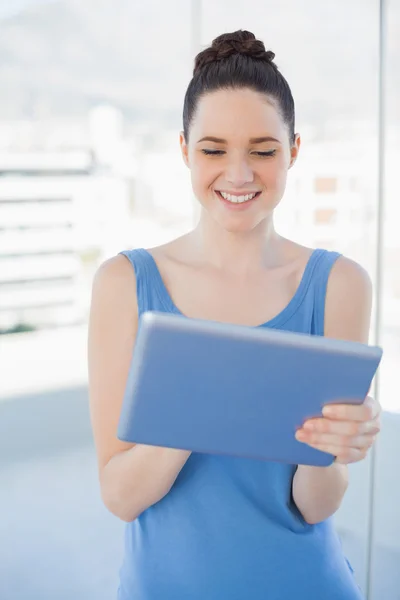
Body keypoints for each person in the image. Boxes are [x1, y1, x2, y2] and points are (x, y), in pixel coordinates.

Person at [88, 30, 381, 600]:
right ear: (183, 150)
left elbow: (315, 502)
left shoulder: (340, 285)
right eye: (214, 149)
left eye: (264, 151)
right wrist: (204, 405)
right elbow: (121, 496)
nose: (239, 174)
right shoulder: (125, 284)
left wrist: (331, 446)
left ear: (294, 150)